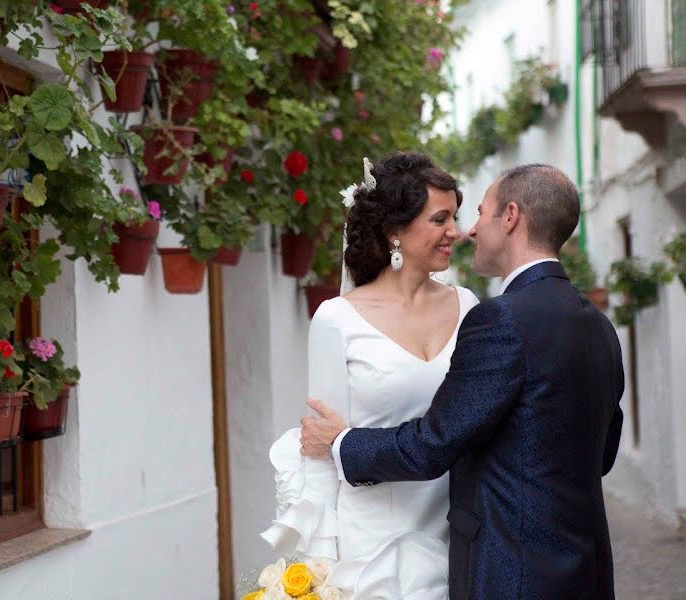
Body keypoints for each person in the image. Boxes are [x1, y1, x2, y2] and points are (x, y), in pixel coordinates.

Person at [301, 163, 625, 599]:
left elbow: (436, 443)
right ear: (394, 230)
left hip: (501, 563)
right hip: (573, 565)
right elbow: (599, 453)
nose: (465, 230)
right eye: (442, 218)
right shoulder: (598, 325)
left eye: (474, 213)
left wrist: (341, 443)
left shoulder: (488, 316)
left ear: (510, 217)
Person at [261, 152, 478, 599]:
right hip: (369, 552)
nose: (454, 232)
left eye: (454, 218)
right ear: (395, 231)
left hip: (455, 537)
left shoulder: (469, 307)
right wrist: (319, 573)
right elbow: (319, 452)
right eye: (440, 219)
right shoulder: (337, 320)